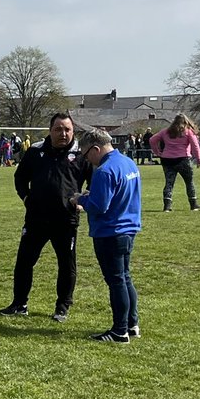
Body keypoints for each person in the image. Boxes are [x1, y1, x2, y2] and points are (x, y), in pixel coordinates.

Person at [0, 113, 91, 322]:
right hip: (36, 218)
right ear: (50, 131)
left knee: (66, 265)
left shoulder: (81, 155)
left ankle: (62, 307)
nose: (63, 134)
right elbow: (20, 177)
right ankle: (19, 304)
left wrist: (85, 201)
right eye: (58, 129)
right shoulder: (35, 151)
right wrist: (26, 198)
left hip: (66, 220)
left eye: (67, 129)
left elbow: (95, 182)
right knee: (24, 262)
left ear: (73, 131)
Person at [71, 128, 141, 344]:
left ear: (95, 149)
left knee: (116, 281)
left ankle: (120, 331)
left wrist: (80, 200)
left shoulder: (104, 171)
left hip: (110, 231)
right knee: (125, 277)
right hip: (128, 227)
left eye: (86, 154)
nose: (87, 160)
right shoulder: (128, 163)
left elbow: (100, 207)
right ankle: (132, 324)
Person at [150, 113, 200, 211]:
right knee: (189, 182)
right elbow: (195, 146)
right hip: (183, 159)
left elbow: (152, 140)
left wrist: (157, 152)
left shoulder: (165, 132)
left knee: (169, 183)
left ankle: (167, 206)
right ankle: (193, 204)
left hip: (167, 160)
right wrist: (198, 159)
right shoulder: (188, 132)